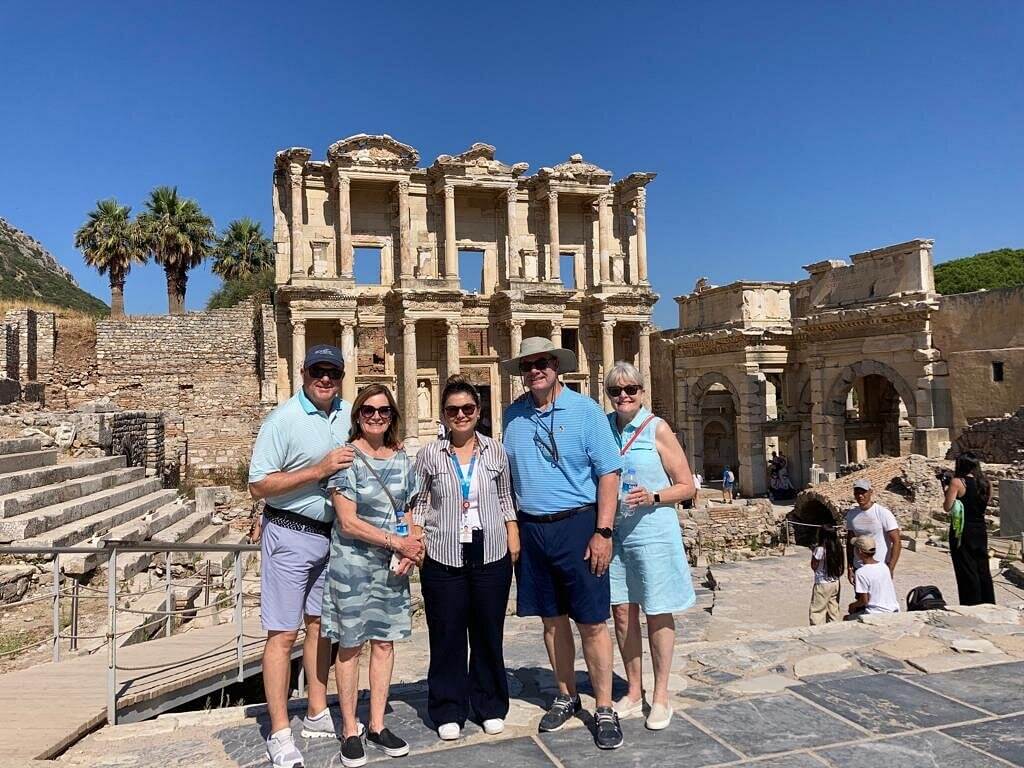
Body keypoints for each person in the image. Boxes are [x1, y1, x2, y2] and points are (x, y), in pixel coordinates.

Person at [501, 337, 624, 750]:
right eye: (528, 365)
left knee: (591, 621)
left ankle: (603, 706)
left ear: (557, 366)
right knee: (551, 621)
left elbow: (609, 473)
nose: (535, 370)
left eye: (543, 363)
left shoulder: (586, 411)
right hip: (533, 528)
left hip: (578, 524)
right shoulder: (512, 416)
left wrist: (603, 531)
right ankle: (566, 694)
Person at [248, 344, 354, 768]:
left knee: (320, 627)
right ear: (303, 372)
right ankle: (279, 732)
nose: (325, 378)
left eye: (333, 372)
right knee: (282, 634)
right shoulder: (282, 420)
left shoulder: (347, 414)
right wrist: (318, 470)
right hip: (290, 533)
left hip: (331, 536)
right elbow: (258, 484)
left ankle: (316, 710)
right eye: (317, 371)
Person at [413, 375, 520, 741]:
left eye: (467, 408)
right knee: (446, 634)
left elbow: (505, 497)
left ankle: (490, 704)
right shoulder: (429, 453)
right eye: (453, 410)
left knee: (489, 632)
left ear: (478, 410)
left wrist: (513, 533)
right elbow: (419, 501)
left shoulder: (496, 451)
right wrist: (416, 535)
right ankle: (448, 707)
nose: (460, 415)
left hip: (490, 550)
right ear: (443, 414)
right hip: (443, 552)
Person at [323, 384, 423, 768]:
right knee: (350, 645)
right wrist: (396, 542)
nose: (376, 416)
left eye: (383, 411)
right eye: (368, 410)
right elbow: (347, 522)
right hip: (352, 565)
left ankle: (378, 724)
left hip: (390, 567)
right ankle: (350, 729)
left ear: (392, 416)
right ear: (358, 416)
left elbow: (407, 509)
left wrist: (410, 546)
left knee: (384, 643)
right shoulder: (346, 459)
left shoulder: (401, 458)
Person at [604, 362, 696, 731]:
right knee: (622, 613)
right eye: (616, 391)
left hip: (653, 531)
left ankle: (660, 696)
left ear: (642, 392)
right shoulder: (604, 428)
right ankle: (632, 690)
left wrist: (654, 496)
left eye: (631, 389)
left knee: (657, 611)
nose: (624, 396)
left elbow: (687, 485)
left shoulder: (657, 428)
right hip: (616, 534)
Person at [942, 452, 996, 606]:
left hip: (963, 530)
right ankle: (988, 602)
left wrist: (947, 489)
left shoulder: (957, 482)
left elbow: (948, 507)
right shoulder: (986, 483)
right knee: (982, 568)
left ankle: (971, 603)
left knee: (966, 568)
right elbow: (985, 503)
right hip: (980, 529)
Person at [844, 478, 901, 584]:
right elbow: (850, 542)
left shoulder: (883, 513)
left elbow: (896, 541)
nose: (860, 496)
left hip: (880, 567)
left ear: (870, 492)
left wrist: (890, 567)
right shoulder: (852, 514)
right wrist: (850, 567)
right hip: (859, 567)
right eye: (857, 493)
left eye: (863, 492)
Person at [846, 536, 900, 617]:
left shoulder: (861, 572)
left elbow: (864, 601)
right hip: (893, 609)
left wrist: (852, 606)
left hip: (876, 612)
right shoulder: (884, 566)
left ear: (859, 551)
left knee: (847, 618)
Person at [809, 526, 844, 625]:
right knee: (833, 608)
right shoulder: (837, 548)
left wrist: (813, 552)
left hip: (822, 583)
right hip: (835, 581)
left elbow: (814, 566)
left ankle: (817, 630)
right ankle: (834, 626)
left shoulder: (820, 550)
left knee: (817, 611)